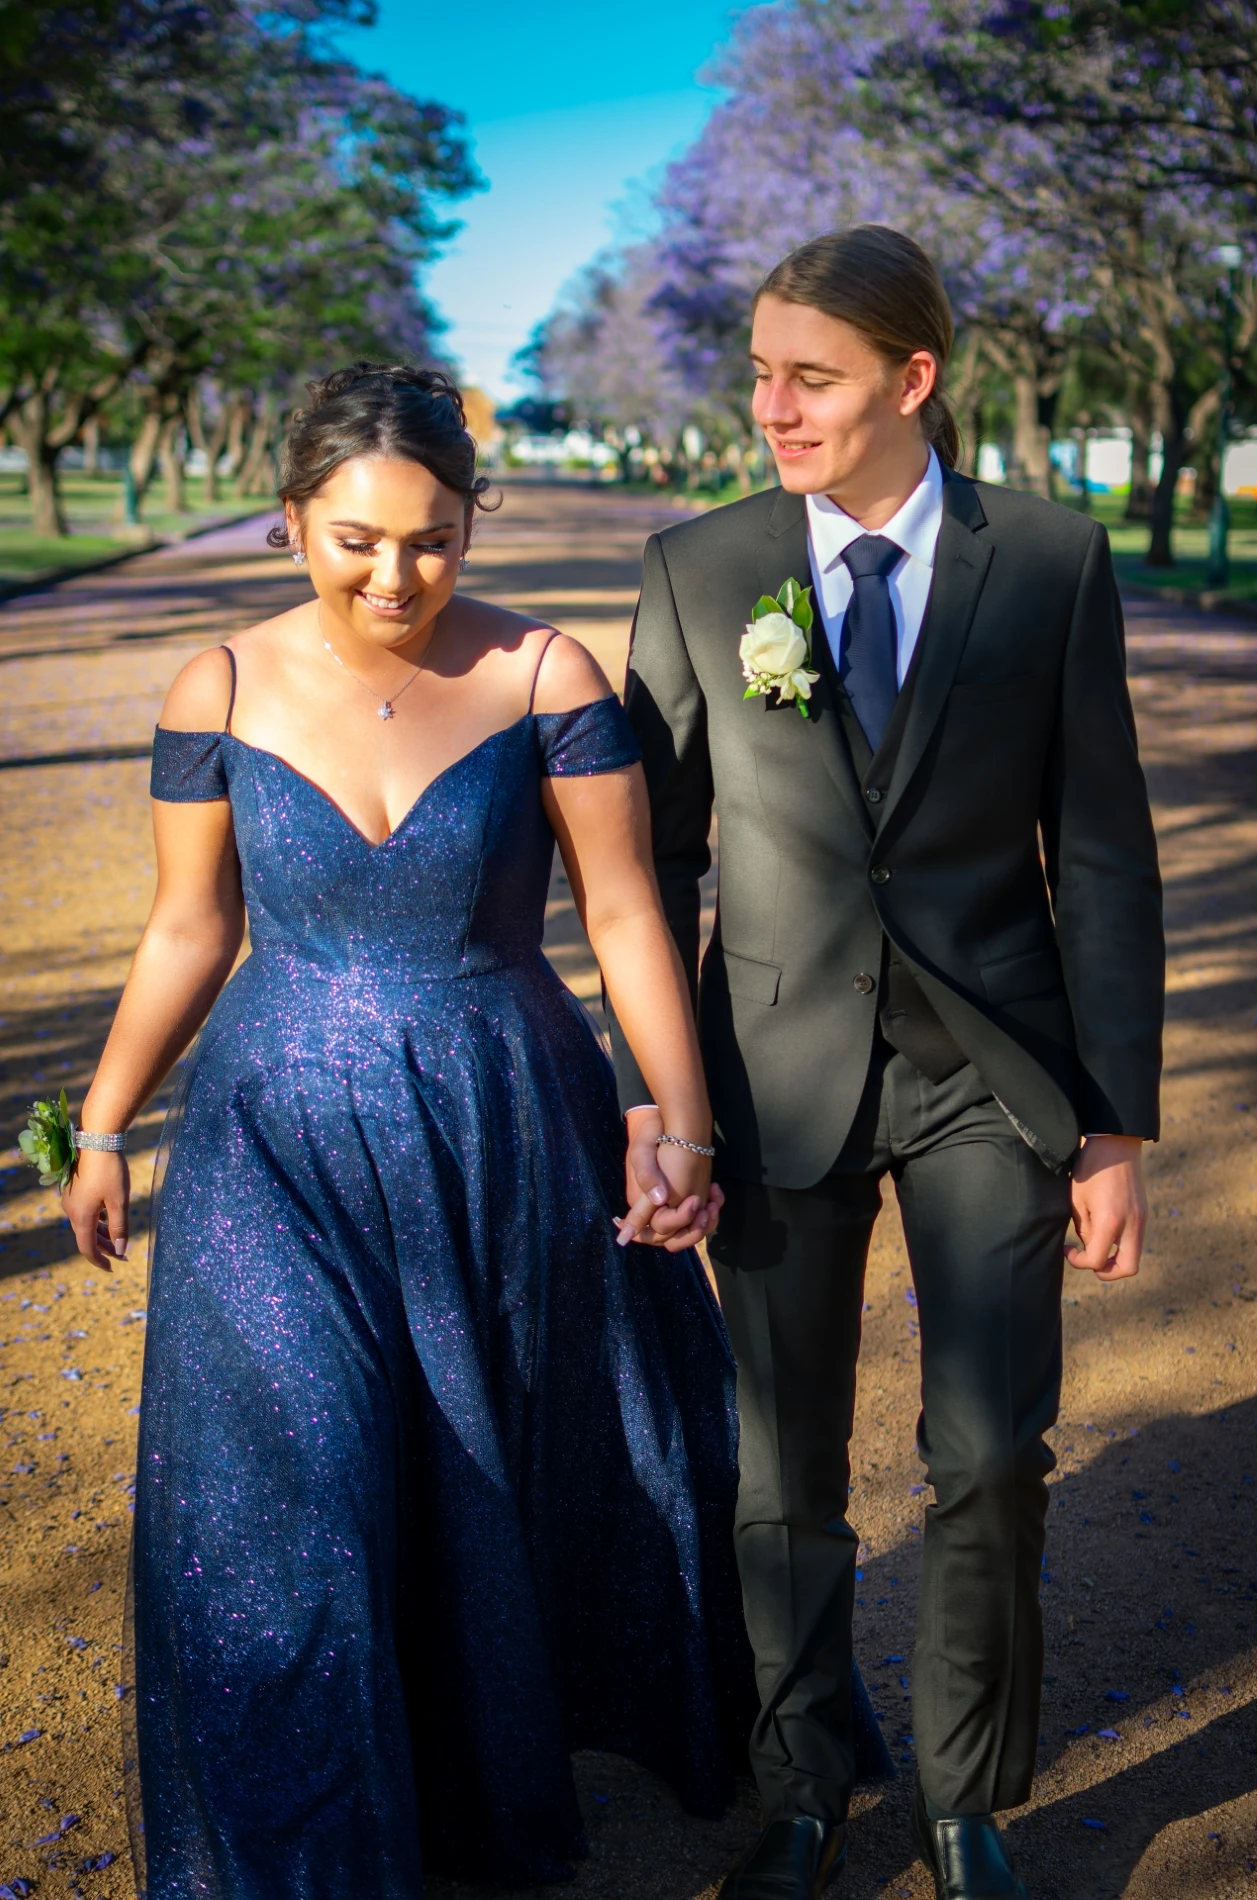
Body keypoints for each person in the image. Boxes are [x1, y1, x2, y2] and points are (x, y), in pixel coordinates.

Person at [62, 363, 755, 1898]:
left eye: (433, 539)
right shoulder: (218, 689)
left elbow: (628, 910)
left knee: (472, 1463)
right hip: (270, 1143)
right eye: (357, 537)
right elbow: (188, 928)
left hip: (501, 1118)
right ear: (291, 518)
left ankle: (462, 1781)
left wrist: (683, 1127)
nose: (395, 574)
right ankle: (306, 1856)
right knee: (286, 1490)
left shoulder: (547, 678)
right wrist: (106, 1122)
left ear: (469, 522)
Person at [611, 227, 1165, 1900]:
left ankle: (963, 1801)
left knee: (989, 1451)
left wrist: (1116, 1122)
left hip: (993, 1071)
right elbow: (653, 865)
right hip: (769, 1076)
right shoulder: (699, 569)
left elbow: (1106, 851)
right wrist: (666, 1106)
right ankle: (800, 1788)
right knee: (782, 1469)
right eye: (760, 371)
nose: (768, 406)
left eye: (809, 378)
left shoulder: (1052, 559)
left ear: (910, 381)